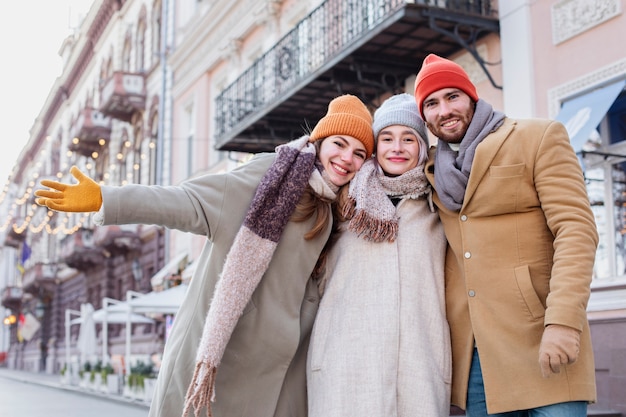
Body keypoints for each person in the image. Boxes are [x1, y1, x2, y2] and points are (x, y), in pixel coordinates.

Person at [34, 94, 375, 417]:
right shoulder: (271, 177)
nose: (347, 158)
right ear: (319, 143)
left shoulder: (338, 210)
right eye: (340, 144)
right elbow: (189, 202)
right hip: (222, 363)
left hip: (281, 375)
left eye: (359, 153)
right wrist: (108, 199)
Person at [413, 53, 599, 416]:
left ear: (472, 97)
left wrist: (563, 321)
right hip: (477, 358)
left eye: (452, 96)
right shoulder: (432, 171)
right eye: (431, 103)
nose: (444, 110)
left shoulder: (537, 136)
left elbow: (576, 229)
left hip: (543, 336)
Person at [307, 93, 450, 417]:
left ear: (422, 147)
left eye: (408, 139)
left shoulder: (440, 205)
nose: (396, 148)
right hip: (344, 367)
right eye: (386, 138)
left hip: (418, 367)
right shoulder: (343, 200)